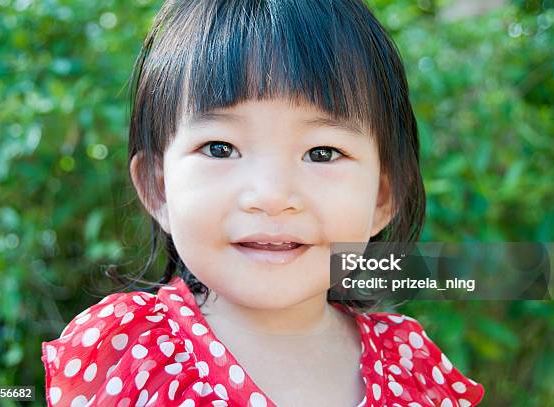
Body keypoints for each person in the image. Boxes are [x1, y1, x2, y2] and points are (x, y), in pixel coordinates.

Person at [41, 0, 485, 405]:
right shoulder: (129, 354)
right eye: (219, 147)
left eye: (322, 153)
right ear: (158, 189)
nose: (272, 197)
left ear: (383, 198)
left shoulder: (412, 367)